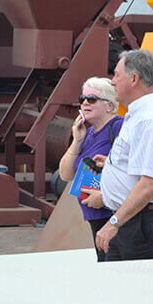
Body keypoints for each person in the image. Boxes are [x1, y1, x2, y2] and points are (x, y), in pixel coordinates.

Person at [83, 50, 153, 261]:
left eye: (116, 75)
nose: (112, 82)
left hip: (142, 223)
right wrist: (112, 166)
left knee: (139, 290)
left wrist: (113, 224)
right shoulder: (139, 114)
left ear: (134, 79)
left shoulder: (150, 120)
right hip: (133, 219)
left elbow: (149, 185)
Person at [58, 77, 123, 262]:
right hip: (94, 215)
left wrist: (104, 195)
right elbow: (65, 174)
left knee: (114, 267)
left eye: (92, 99)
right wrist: (77, 141)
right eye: (83, 98)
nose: (85, 103)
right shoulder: (89, 133)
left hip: (113, 215)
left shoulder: (118, 127)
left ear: (109, 106)